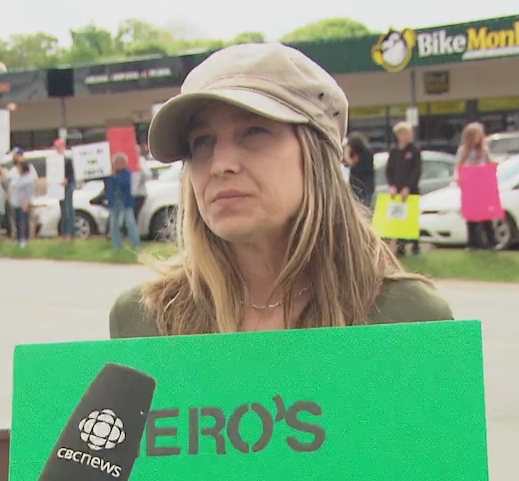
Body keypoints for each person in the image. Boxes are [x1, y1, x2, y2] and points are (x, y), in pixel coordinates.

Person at [108, 42, 452, 338]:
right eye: (203, 142)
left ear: (315, 156)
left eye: (254, 131)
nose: (220, 163)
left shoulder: (410, 319)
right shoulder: (145, 320)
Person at [454, 122, 495, 251]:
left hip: (482, 185)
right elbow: (458, 166)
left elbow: (490, 164)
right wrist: (459, 178)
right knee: (471, 215)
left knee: (486, 215)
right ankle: (472, 243)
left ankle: (490, 242)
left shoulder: (484, 150)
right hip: (470, 185)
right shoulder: (463, 150)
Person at [385, 122, 422, 257]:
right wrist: (392, 185)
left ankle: (415, 247)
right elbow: (389, 171)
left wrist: (408, 187)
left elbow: (416, 171)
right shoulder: (394, 151)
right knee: (399, 220)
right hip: (397, 191)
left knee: (412, 219)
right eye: (404, 133)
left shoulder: (414, 151)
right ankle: (401, 248)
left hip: (410, 190)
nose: (407, 136)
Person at [105, 153, 141, 251]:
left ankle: (136, 244)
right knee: (113, 225)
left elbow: (124, 183)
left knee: (130, 223)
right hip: (114, 202)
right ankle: (116, 246)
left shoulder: (127, 173)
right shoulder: (109, 175)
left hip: (126, 202)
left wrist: (113, 177)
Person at [53, 138, 77, 238]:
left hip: (68, 186)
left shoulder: (68, 159)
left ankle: (69, 232)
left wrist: (67, 179)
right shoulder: (54, 160)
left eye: (58, 147)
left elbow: (73, 174)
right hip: (59, 187)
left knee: (68, 209)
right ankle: (64, 232)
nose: (57, 149)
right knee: (63, 209)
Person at [344, 131, 375, 207]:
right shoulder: (354, 153)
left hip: (364, 185)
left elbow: (354, 165)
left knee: (364, 206)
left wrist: (347, 155)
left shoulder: (366, 154)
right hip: (355, 185)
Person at [9, 161, 36, 247]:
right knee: (17, 221)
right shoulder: (17, 178)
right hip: (16, 202)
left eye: (19, 167)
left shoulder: (28, 179)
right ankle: (18, 238)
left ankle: (25, 239)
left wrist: (26, 202)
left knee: (24, 221)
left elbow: (30, 192)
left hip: (24, 203)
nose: (18, 169)